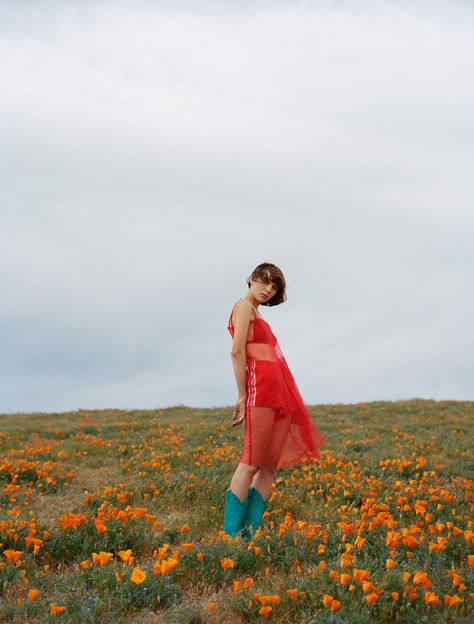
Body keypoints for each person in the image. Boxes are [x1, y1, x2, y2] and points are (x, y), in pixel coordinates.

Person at [223, 262, 327, 540]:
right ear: (253, 278)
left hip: (278, 390)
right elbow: (237, 352)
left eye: (274, 286)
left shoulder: (259, 314)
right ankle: (232, 537)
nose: (268, 289)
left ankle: (250, 535)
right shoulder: (242, 306)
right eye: (265, 282)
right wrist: (242, 395)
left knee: (269, 465)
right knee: (251, 462)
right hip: (259, 387)